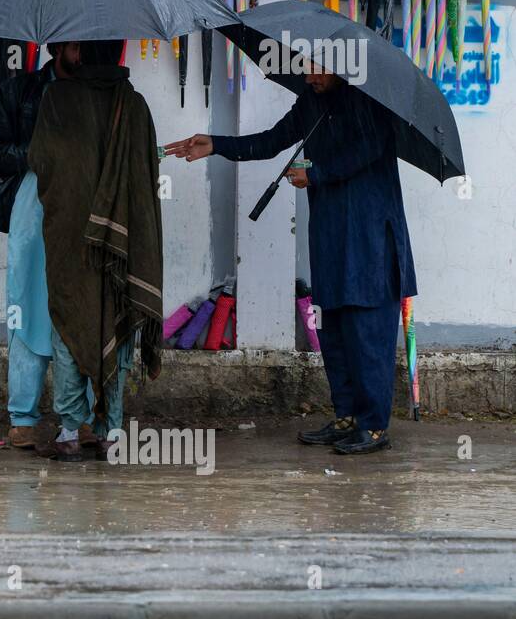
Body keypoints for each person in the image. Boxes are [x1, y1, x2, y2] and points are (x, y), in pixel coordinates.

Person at [164, 67, 415, 455]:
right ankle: (346, 416)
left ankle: (374, 426)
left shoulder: (371, 102)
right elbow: (271, 141)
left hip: (369, 239)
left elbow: (368, 149)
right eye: (307, 69)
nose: (310, 77)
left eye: (318, 70)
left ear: (340, 66)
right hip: (332, 236)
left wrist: (316, 174)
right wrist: (215, 144)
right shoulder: (312, 102)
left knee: (367, 333)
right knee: (334, 332)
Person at [28, 39, 163, 461]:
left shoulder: (56, 98)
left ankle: (70, 429)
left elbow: (40, 161)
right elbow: (147, 174)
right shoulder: (135, 106)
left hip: (70, 239)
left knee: (70, 324)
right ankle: (112, 431)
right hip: (123, 240)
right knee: (116, 322)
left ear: (82, 53)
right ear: (119, 53)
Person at [0, 44, 53, 449]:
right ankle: (22, 418)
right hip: (32, 207)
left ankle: (84, 416)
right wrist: (33, 154)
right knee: (25, 306)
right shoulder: (20, 90)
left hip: (87, 207)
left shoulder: (108, 96)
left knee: (86, 308)